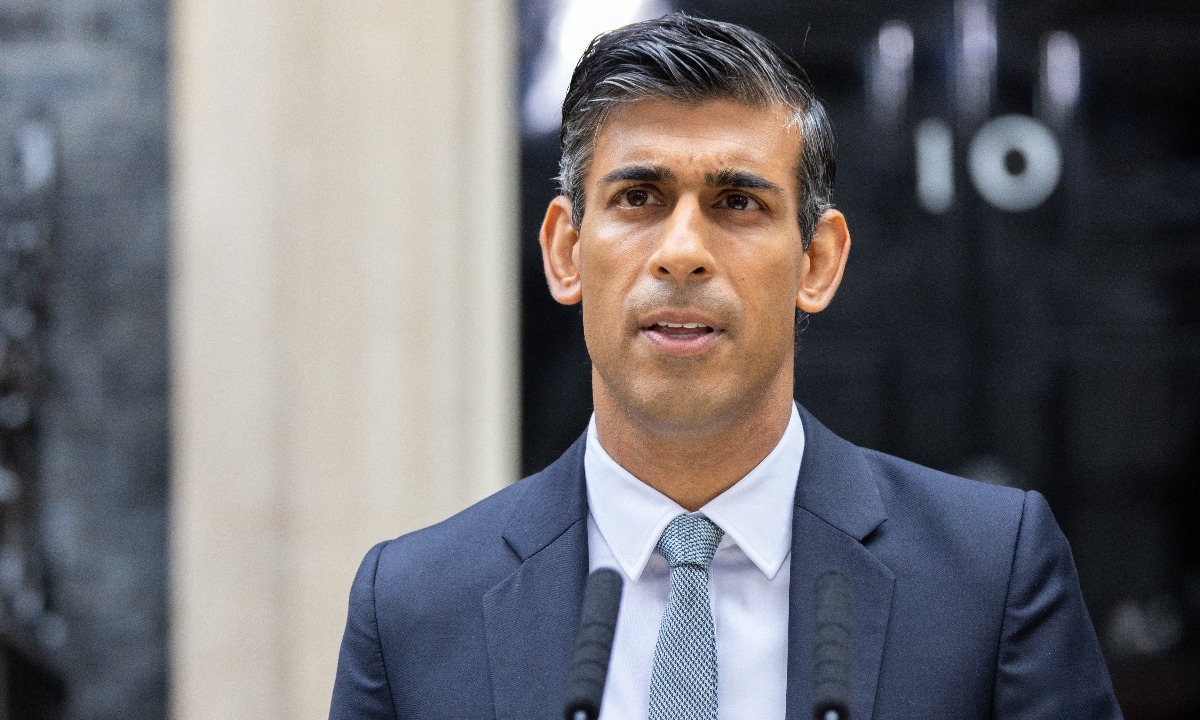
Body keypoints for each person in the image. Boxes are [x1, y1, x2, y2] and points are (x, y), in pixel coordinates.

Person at [330, 13, 1123, 720]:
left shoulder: (990, 576)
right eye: (639, 198)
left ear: (817, 261)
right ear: (566, 252)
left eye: (737, 203)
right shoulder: (412, 607)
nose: (682, 253)